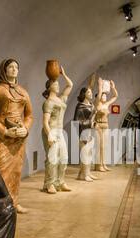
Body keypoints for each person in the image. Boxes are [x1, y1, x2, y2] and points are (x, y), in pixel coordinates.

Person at [0, 58, 33, 214]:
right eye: (10, 67)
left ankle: (14, 202)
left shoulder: (23, 91)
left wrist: (26, 128)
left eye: (16, 67)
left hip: (18, 139)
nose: (14, 69)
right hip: (1, 138)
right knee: (0, 174)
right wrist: (4, 131)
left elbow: (29, 115)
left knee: (16, 172)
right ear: (3, 70)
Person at [42, 66, 73, 194]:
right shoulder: (48, 102)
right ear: (49, 87)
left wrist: (63, 74)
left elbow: (70, 85)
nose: (58, 85)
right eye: (55, 83)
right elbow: (45, 122)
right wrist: (49, 135)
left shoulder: (61, 100)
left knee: (64, 157)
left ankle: (60, 182)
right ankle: (49, 184)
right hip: (51, 131)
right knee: (52, 159)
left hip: (59, 132)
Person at [74, 87, 99, 182]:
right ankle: (84, 175)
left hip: (90, 132)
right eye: (89, 92)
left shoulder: (91, 105)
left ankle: (86, 173)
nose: (91, 94)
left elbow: (92, 117)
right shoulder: (80, 106)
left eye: (91, 92)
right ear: (84, 94)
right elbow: (76, 121)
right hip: (83, 133)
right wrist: (90, 123)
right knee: (84, 154)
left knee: (89, 154)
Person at [94, 78, 118, 172]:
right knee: (99, 146)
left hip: (106, 126)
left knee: (104, 146)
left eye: (105, 96)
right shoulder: (97, 104)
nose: (105, 97)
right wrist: (100, 87)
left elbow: (115, 96)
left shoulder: (106, 104)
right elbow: (99, 94)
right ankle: (98, 165)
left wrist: (113, 87)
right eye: (103, 96)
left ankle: (103, 164)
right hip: (98, 126)